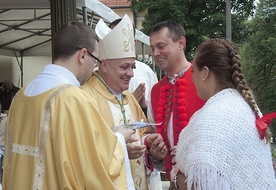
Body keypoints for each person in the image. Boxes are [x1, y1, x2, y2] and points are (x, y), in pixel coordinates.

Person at [2, 21, 135, 190]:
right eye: (95, 61)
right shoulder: (73, 99)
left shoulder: (20, 97)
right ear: (83, 55)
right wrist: (120, 139)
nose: (94, 68)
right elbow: (96, 167)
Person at [175, 38, 276, 190]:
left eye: (193, 71)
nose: (193, 79)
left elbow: (203, 185)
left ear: (205, 73)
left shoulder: (213, 117)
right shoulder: (245, 105)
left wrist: (177, 180)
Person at [81, 15, 167, 190]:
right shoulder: (85, 97)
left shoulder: (128, 98)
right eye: (124, 67)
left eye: (132, 67)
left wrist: (150, 144)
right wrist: (120, 151)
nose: (131, 73)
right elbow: (82, 152)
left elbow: (143, 133)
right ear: (104, 65)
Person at [145, 21, 206, 188]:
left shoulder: (205, 79)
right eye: (152, 48)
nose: (156, 53)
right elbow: (154, 132)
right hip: (174, 183)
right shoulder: (155, 90)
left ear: (181, 43)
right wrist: (156, 154)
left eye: (161, 46)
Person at [109, 19, 158, 116]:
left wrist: (144, 106)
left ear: (133, 42)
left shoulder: (146, 71)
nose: (129, 73)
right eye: (112, 39)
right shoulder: (99, 72)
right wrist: (130, 102)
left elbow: (156, 109)